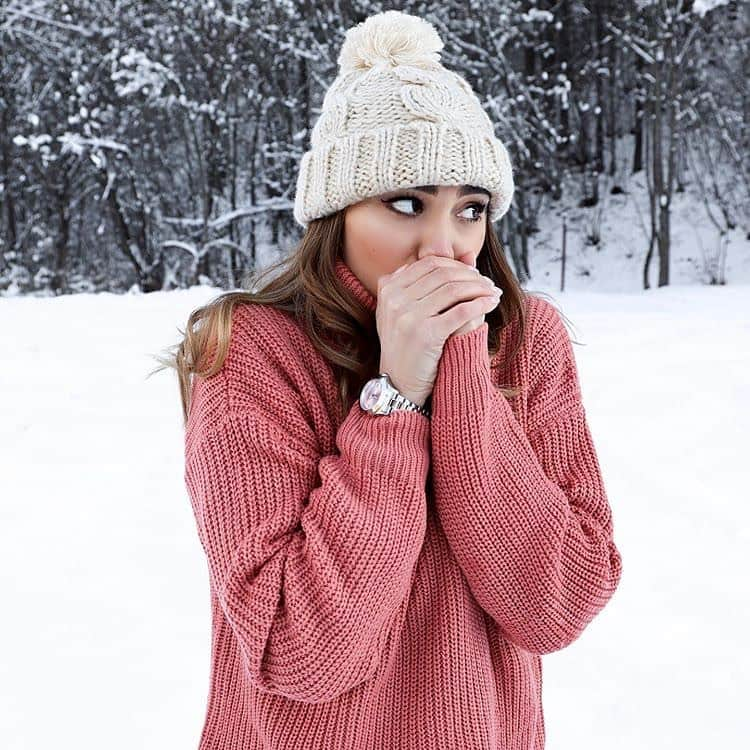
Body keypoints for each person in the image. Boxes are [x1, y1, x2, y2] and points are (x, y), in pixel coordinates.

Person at [167, 10, 623, 750]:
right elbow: (295, 647)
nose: (445, 247)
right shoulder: (252, 349)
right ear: (335, 213)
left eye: (470, 210)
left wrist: (463, 370)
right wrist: (395, 398)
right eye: (405, 204)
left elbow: (558, 605)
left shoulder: (525, 341)